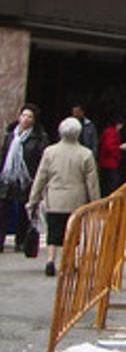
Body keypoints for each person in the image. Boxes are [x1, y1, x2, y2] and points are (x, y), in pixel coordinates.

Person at [27, 116, 100, 277]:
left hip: (54, 198)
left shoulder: (50, 152)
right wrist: (96, 202)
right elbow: (92, 182)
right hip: (76, 200)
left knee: (53, 232)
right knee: (72, 233)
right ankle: (69, 262)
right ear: (78, 133)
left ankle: (51, 260)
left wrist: (33, 199)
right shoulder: (86, 154)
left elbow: (41, 177)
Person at [0, 103, 48, 256]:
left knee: (24, 211)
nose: (26, 119)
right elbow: (4, 156)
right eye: (24, 115)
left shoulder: (39, 138)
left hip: (27, 179)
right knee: (3, 210)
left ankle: (20, 241)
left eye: (29, 117)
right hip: (7, 179)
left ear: (34, 120)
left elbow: (42, 160)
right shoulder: (10, 136)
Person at [99, 117, 126, 196]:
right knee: (111, 183)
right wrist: (120, 147)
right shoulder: (111, 132)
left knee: (109, 182)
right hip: (109, 162)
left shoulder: (111, 132)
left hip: (109, 162)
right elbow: (108, 147)